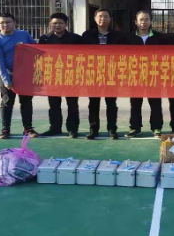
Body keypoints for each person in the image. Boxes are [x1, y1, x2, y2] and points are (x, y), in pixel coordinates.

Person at [0, 12, 38, 140]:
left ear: (14, 23)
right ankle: (5, 129)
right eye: (2, 23)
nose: (5, 25)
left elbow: (35, 49)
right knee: (7, 102)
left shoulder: (23, 34)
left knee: (26, 102)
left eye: (8, 22)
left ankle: (28, 128)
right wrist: (6, 80)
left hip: (25, 74)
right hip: (8, 74)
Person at [82, 8, 124, 140]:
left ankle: (112, 129)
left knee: (111, 103)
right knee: (93, 103)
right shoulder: (87, 35)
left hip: (111, 73)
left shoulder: (118, 36)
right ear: (95, 19)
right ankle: (93, 130)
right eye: (100, 16)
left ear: (110, 19)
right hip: (93, 73)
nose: (103, 19)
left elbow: (124, 53)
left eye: (106, 16)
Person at [38, 13, 82, 138]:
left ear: (66, 24)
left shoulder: (76, 38)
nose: (57, 25)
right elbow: (40, 57)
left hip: (71, 76)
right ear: (50, 24)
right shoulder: (44, 39)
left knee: (72, 104)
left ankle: (72, 129)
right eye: (54, 23)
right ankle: (55, 128)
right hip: (52, 76)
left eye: (60, 23)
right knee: (54, 104)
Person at [125, 11, 165, 139]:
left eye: (146, 19)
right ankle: (135, 128)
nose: (144, 22)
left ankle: (156, 128)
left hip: (154, 75)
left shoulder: (159, 38)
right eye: (141, 20)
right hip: (135, 75)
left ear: (150, 21)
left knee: (155, 103)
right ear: (136, 22)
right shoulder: (128, 38)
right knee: (135, 103)